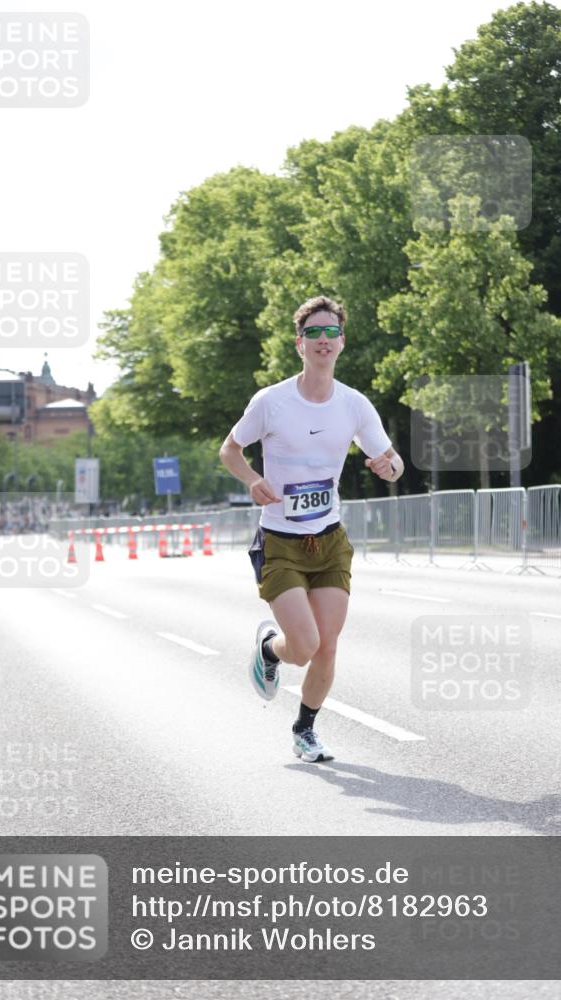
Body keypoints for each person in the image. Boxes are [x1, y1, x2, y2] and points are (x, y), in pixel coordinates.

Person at [219, 295, 404, 762]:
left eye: (331, 332)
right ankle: (270, 649)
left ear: (342, 341)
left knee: (327, 647)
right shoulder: (271, 402)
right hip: (280, 541)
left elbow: (393, 460)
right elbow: (229, 450)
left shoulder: (354, 404)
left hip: (330, 539)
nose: (323, 339)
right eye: (313, 332)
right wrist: (253, 480)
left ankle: (304, 730)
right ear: (299, 343)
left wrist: (390, 467)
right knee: (303, 647)